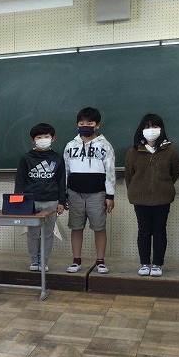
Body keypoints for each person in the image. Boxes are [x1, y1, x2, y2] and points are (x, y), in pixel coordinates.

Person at [124, 114, 179, 277]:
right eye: (147, 127)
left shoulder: (170, 150)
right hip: (140, 198)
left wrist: (164, 186)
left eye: (155, 127)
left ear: (161, 129)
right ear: (141, 129)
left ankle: (157, 264)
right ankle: (144, 263)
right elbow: (129, 175)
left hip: (162, 198)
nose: (151, 130)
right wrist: (136, 190)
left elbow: (175, 172)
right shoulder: (134, 151)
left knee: (159, 231)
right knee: (144, 230)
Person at [63, 107, 115, 274]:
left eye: (90, 123)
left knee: (99, 227)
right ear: (77, 124)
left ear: (97, 125)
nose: (85, 126)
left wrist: (110, 195)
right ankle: (76, 261)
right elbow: (65, 171)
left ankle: (100, 261)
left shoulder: (105, 145)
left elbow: (110, 171)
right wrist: (64, 194)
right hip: (74, 193)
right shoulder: (70, 145)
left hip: (97, 193)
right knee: (76, 227)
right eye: (81, 123)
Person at [14, 123, 66, 272]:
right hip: (31, 202)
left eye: (46, 136)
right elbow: (20, 181)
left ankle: (44, 261)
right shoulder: (26, 158)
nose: (43, 139)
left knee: (48, 234)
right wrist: (17, 202)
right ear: (33, 140)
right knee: (33, 233)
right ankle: (34, 261)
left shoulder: (57, 158)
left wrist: (62, 201)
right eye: (39, 137)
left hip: (51, 201)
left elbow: (61, 181)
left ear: (53, 138)